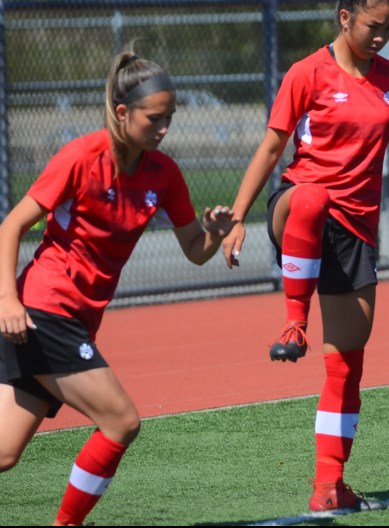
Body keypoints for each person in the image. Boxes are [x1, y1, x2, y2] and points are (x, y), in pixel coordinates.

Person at [220, 0, 389, 512]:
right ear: (344, 17)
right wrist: (239, 215)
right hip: (298, 211)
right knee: (311, 196)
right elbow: (270, 148)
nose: (380, 37)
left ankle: (329, 485)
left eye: (387, 28)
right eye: (371, 27)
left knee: (347, 363)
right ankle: (292, 320)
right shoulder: (306, 74)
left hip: (357, 231)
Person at [0, 50, 236, 526]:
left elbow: (195, 248)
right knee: (121, 421)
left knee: (3, 453)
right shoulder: (80, 157)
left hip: (71, 322)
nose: (164, 127)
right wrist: (6, 298)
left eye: (170, 117)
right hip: (44, 311)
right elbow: (11, 226)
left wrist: (215, 229)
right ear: (123, 112)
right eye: (155, 117)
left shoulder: (163, 173)